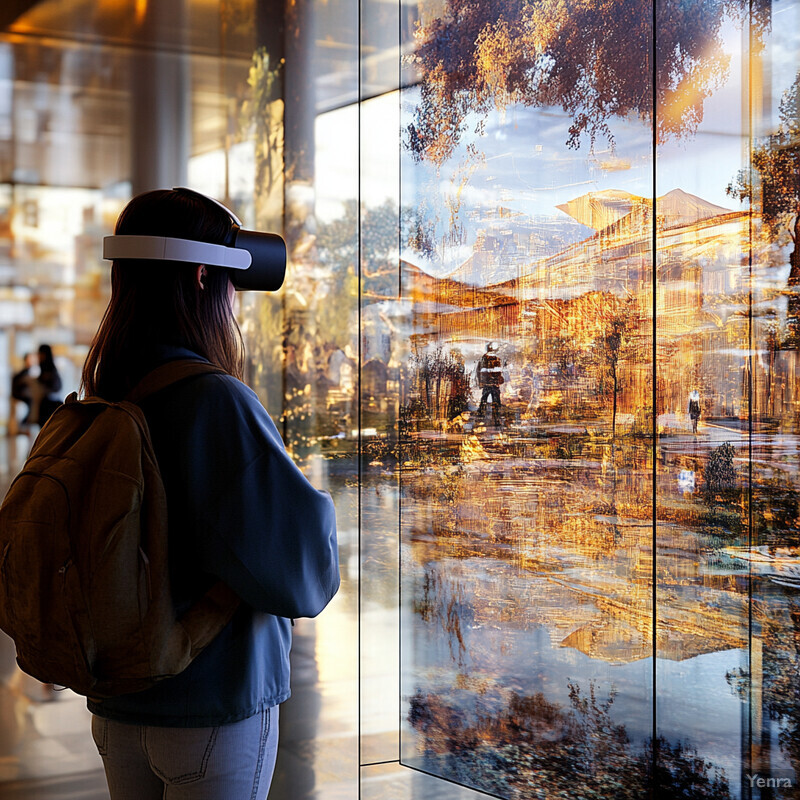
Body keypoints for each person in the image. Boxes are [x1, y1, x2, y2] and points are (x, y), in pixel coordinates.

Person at [81, 188, 340, 800]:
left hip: (118, 707)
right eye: (229, 287)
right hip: (212, 711)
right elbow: (303, 572)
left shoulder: (105, 396)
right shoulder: (214, 402)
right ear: (203, 278)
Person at [476, 341, 504, 423]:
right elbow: (497, 372)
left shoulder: (484, 359)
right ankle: (495, 416)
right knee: (493, 400)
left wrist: (481, 382)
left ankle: (483, 415)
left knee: (486, 399)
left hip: (489, 383)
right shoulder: (495, 359)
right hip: (492, 384)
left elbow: (479, 372)